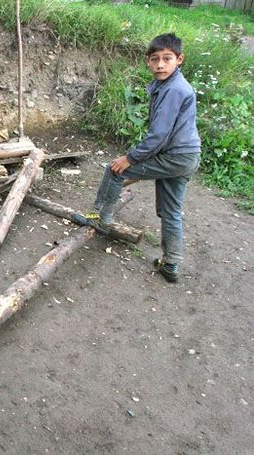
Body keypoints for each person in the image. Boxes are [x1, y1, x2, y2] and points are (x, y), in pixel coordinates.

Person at [87, 33, 201, 283]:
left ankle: (100, 219)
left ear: (179, 59)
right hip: (186, 157)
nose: (160, 64)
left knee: (115, 169)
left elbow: (159, 135)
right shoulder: (170, 86)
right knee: (171, 211)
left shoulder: (173, 90)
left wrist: (131, 159)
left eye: (167, 59)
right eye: (155, 59)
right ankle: (171, 263)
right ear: (148, 62)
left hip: (175, 156)